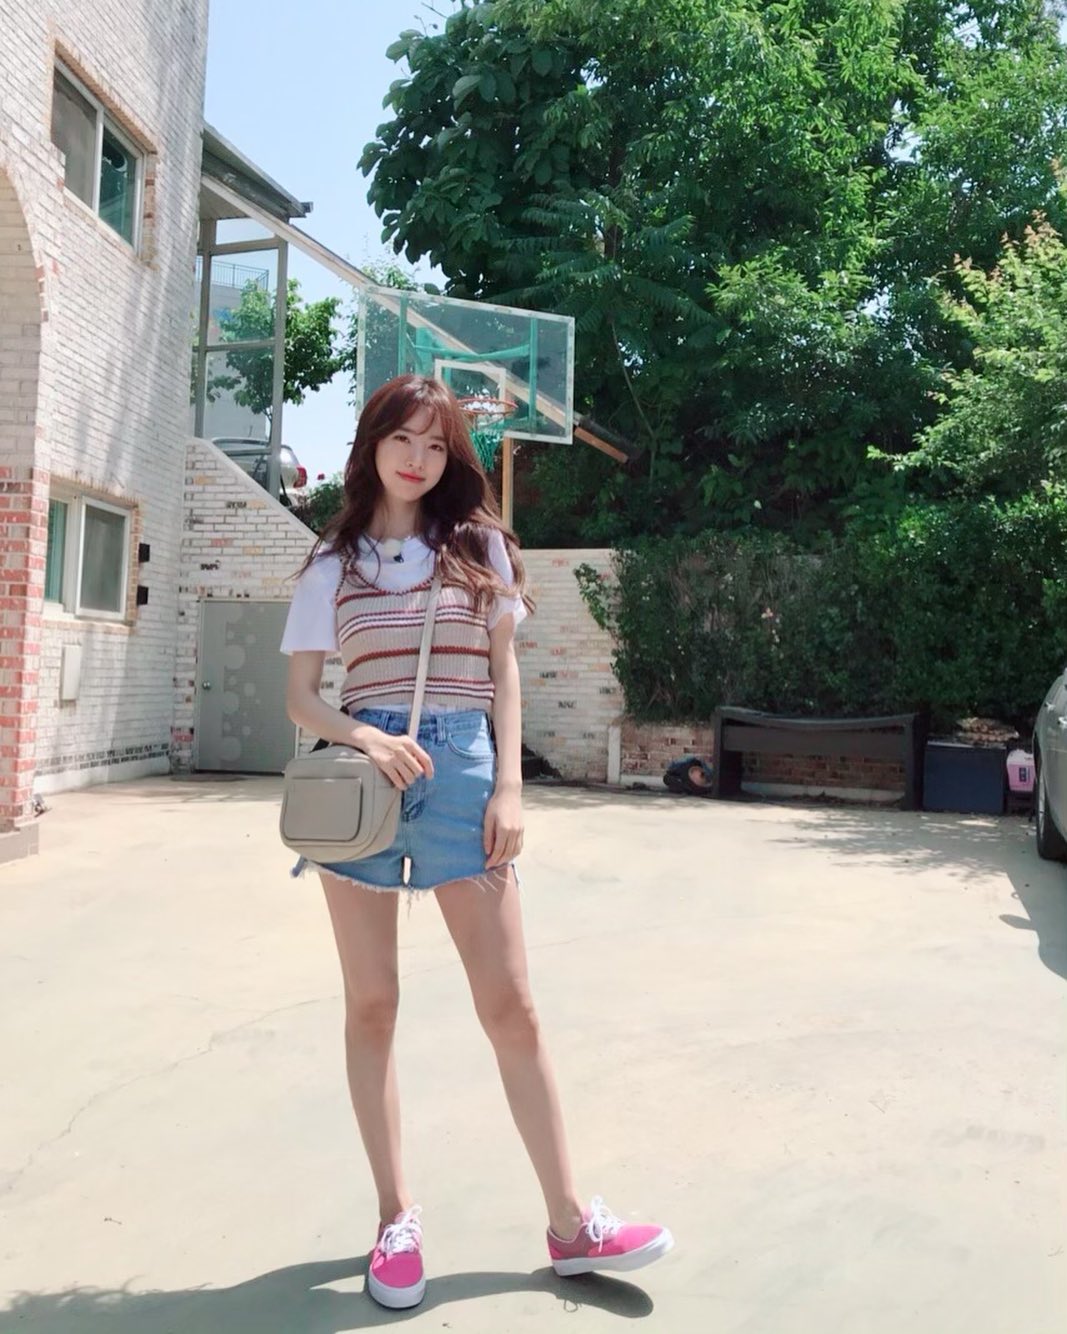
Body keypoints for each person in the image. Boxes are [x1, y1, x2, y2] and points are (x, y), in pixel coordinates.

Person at [281, 374, 673, 1311]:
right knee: (372, 1006)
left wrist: (509, 786)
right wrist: (365, 735)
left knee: (512, 1006)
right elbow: (301, 698)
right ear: (371, 446)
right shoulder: (331, 562)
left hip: (463, 775)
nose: (417, 459)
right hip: (364, 782)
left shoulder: (477, 544)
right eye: (401, 440)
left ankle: (571, 1223)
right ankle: (395, 1218)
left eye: (435, 445)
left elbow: (504, 673)